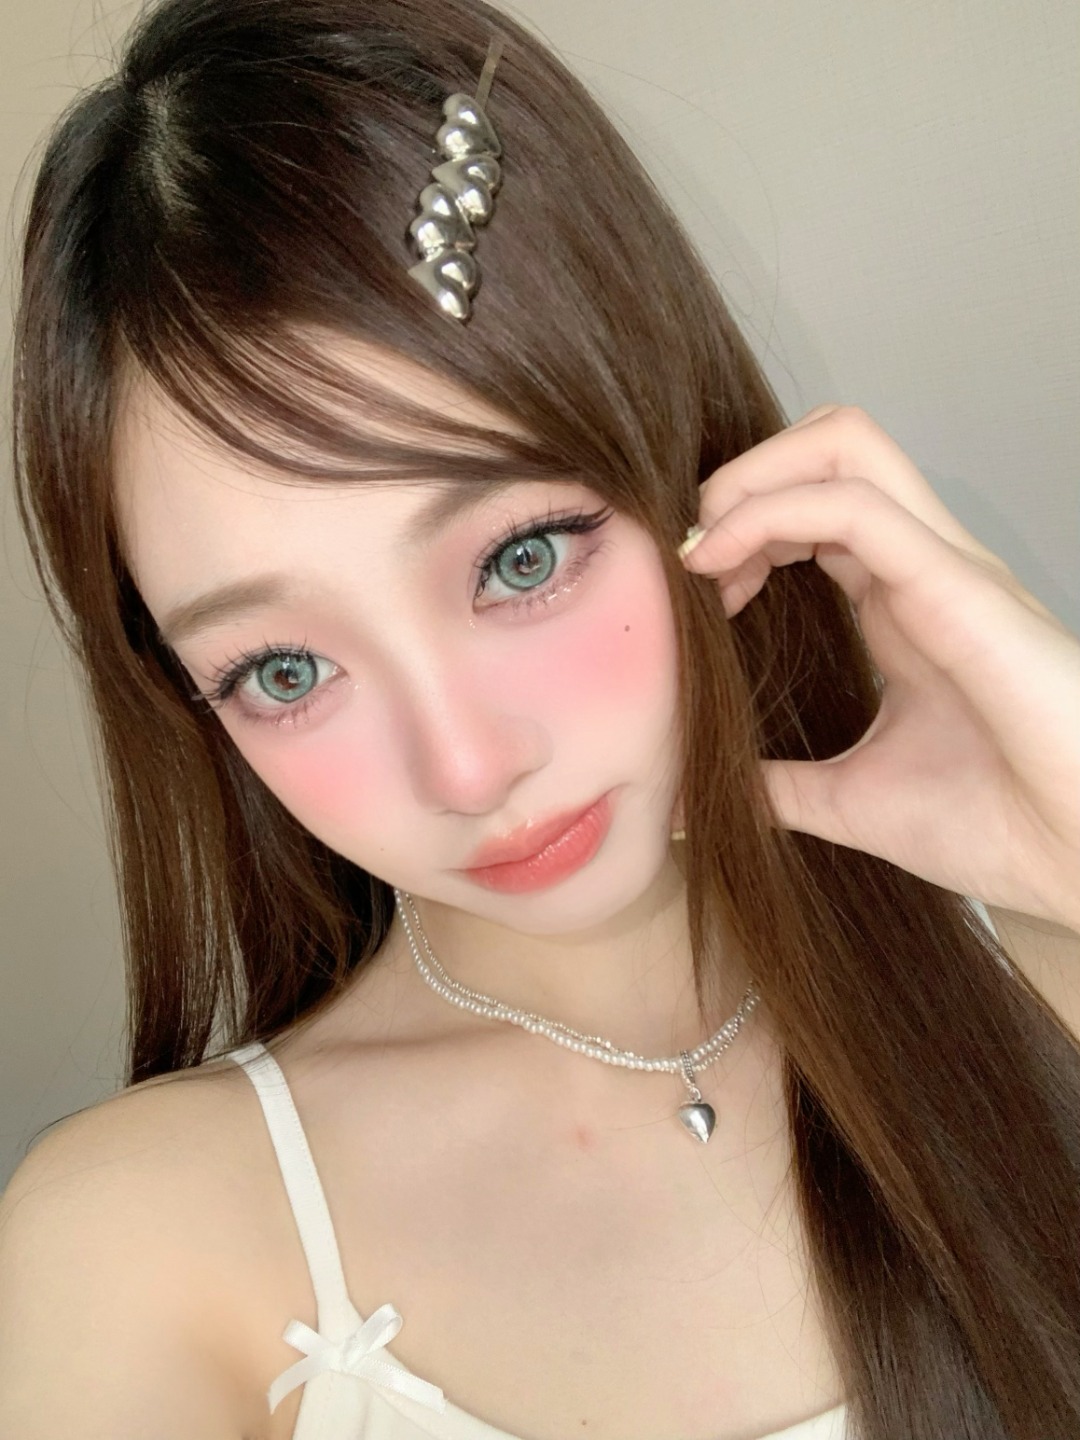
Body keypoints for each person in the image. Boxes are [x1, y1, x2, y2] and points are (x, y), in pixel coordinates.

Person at [2, 0, 1079, 1436]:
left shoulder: (1043, 981)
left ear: (680, 456)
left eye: (518, 560)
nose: (466, 766)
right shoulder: (137, 1245)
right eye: (284, 670)